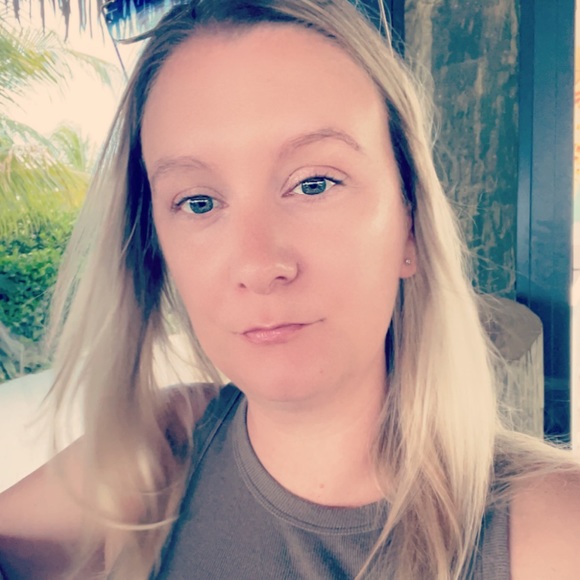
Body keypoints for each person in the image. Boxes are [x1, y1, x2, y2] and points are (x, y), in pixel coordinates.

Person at [1, 0, 580, 578]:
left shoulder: (552, 532)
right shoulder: (164, 448)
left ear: (410, 224)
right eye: (198, 202)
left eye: (314, 183)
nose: (258, 265)